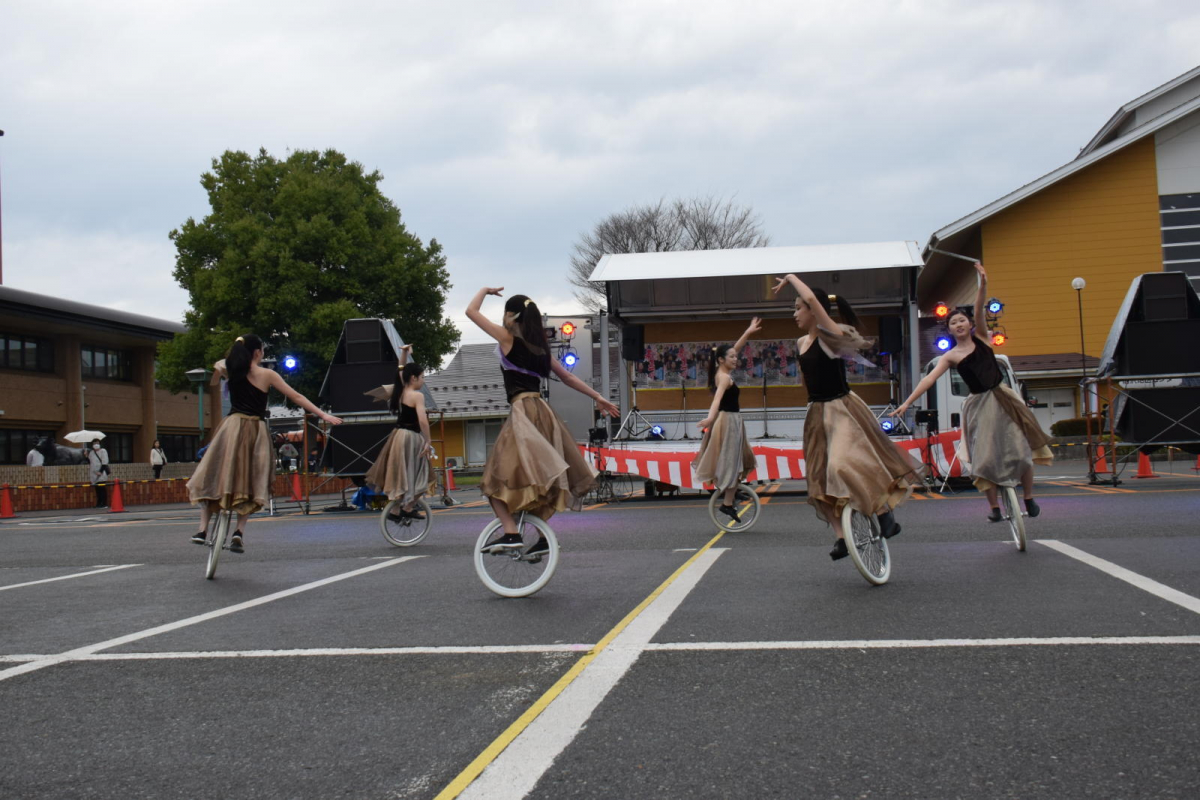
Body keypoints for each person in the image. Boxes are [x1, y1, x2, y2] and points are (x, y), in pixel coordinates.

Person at [774, 273, 918, 560]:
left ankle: (882, 512)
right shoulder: (801, 342)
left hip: (842, 408)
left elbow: (814, 298)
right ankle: (841, 538)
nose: (795, 314)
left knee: (843, 465)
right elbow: (806, 378)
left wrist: (791, 277)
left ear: (814, 311)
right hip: (816, 412)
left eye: (798, 308)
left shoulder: (831, 335)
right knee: (817, 482)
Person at [893, 262, 1052, 520]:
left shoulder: (982, 339)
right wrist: (907, 402)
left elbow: (979, 307)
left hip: (1004, 397)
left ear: (970, 324)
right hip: (978, 404)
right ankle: (994, 508)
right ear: (949, 329)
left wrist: (983, 282)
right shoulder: (950, 355)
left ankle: (1029, 499)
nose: (958, 324)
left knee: (1023, 451)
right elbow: (929, 380)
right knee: (983, 458)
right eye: (953, 322)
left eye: (962, 320)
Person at [466, 287, 619, 555]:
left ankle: (511, 534)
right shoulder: (541, 350)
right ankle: (542, 537)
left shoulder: (507, 339)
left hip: (523, 411)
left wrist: (484, 291)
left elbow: (471, 312)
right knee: (536, 478)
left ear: (511, 317)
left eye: (505, 315)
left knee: (493, 480)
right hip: (542, 412)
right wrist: (599, 397)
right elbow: (569, 378)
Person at [187, 334, 342, 553]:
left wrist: (224, 366)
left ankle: (202, 530)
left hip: (231, 426)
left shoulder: (232, 368)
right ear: (258, 352)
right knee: (253, 478)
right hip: (254, 429)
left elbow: (213, 381)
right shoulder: (266, 374)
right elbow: (296, 396)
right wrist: (323, 415)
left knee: (212, 473)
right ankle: (239, 532)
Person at [692, 318, 762, 522]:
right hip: (728, 420)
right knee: (732, 460)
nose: (735, 358)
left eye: (735, 356)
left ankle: (731, 494)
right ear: (721, 360)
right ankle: (727, 503)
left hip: (732, 420)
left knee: (737, 458)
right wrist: (709, 418)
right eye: (731, 357)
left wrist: (748, 332)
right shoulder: (723, 377)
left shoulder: (720, 369)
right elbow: (717, 399)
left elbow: (735, 348)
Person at [366, 344, 434, 520]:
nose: (423, 380)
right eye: (422, 377)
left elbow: (400, 368)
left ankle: (397, 509)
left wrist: (404, 352)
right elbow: (422, 420)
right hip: (411, 437)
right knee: (424, 475)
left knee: (402, 474)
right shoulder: (417, 396)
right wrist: (428, 441)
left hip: (397, 436)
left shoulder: (401, 390)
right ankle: (408, 507)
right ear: (413, 378)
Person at [87, 438, 110, 508]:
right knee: (97, 489)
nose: (96, 445)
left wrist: (100, 471)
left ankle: (104, 503)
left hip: (101, 473)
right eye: (94, 444)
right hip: (94, 474)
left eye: (97, 443)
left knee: (102, 488)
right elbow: (90, 461)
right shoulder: (91, 453)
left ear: (100, 444)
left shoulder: (103, 451)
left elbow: (104, 462)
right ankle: (99, 503)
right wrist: (86, 456)